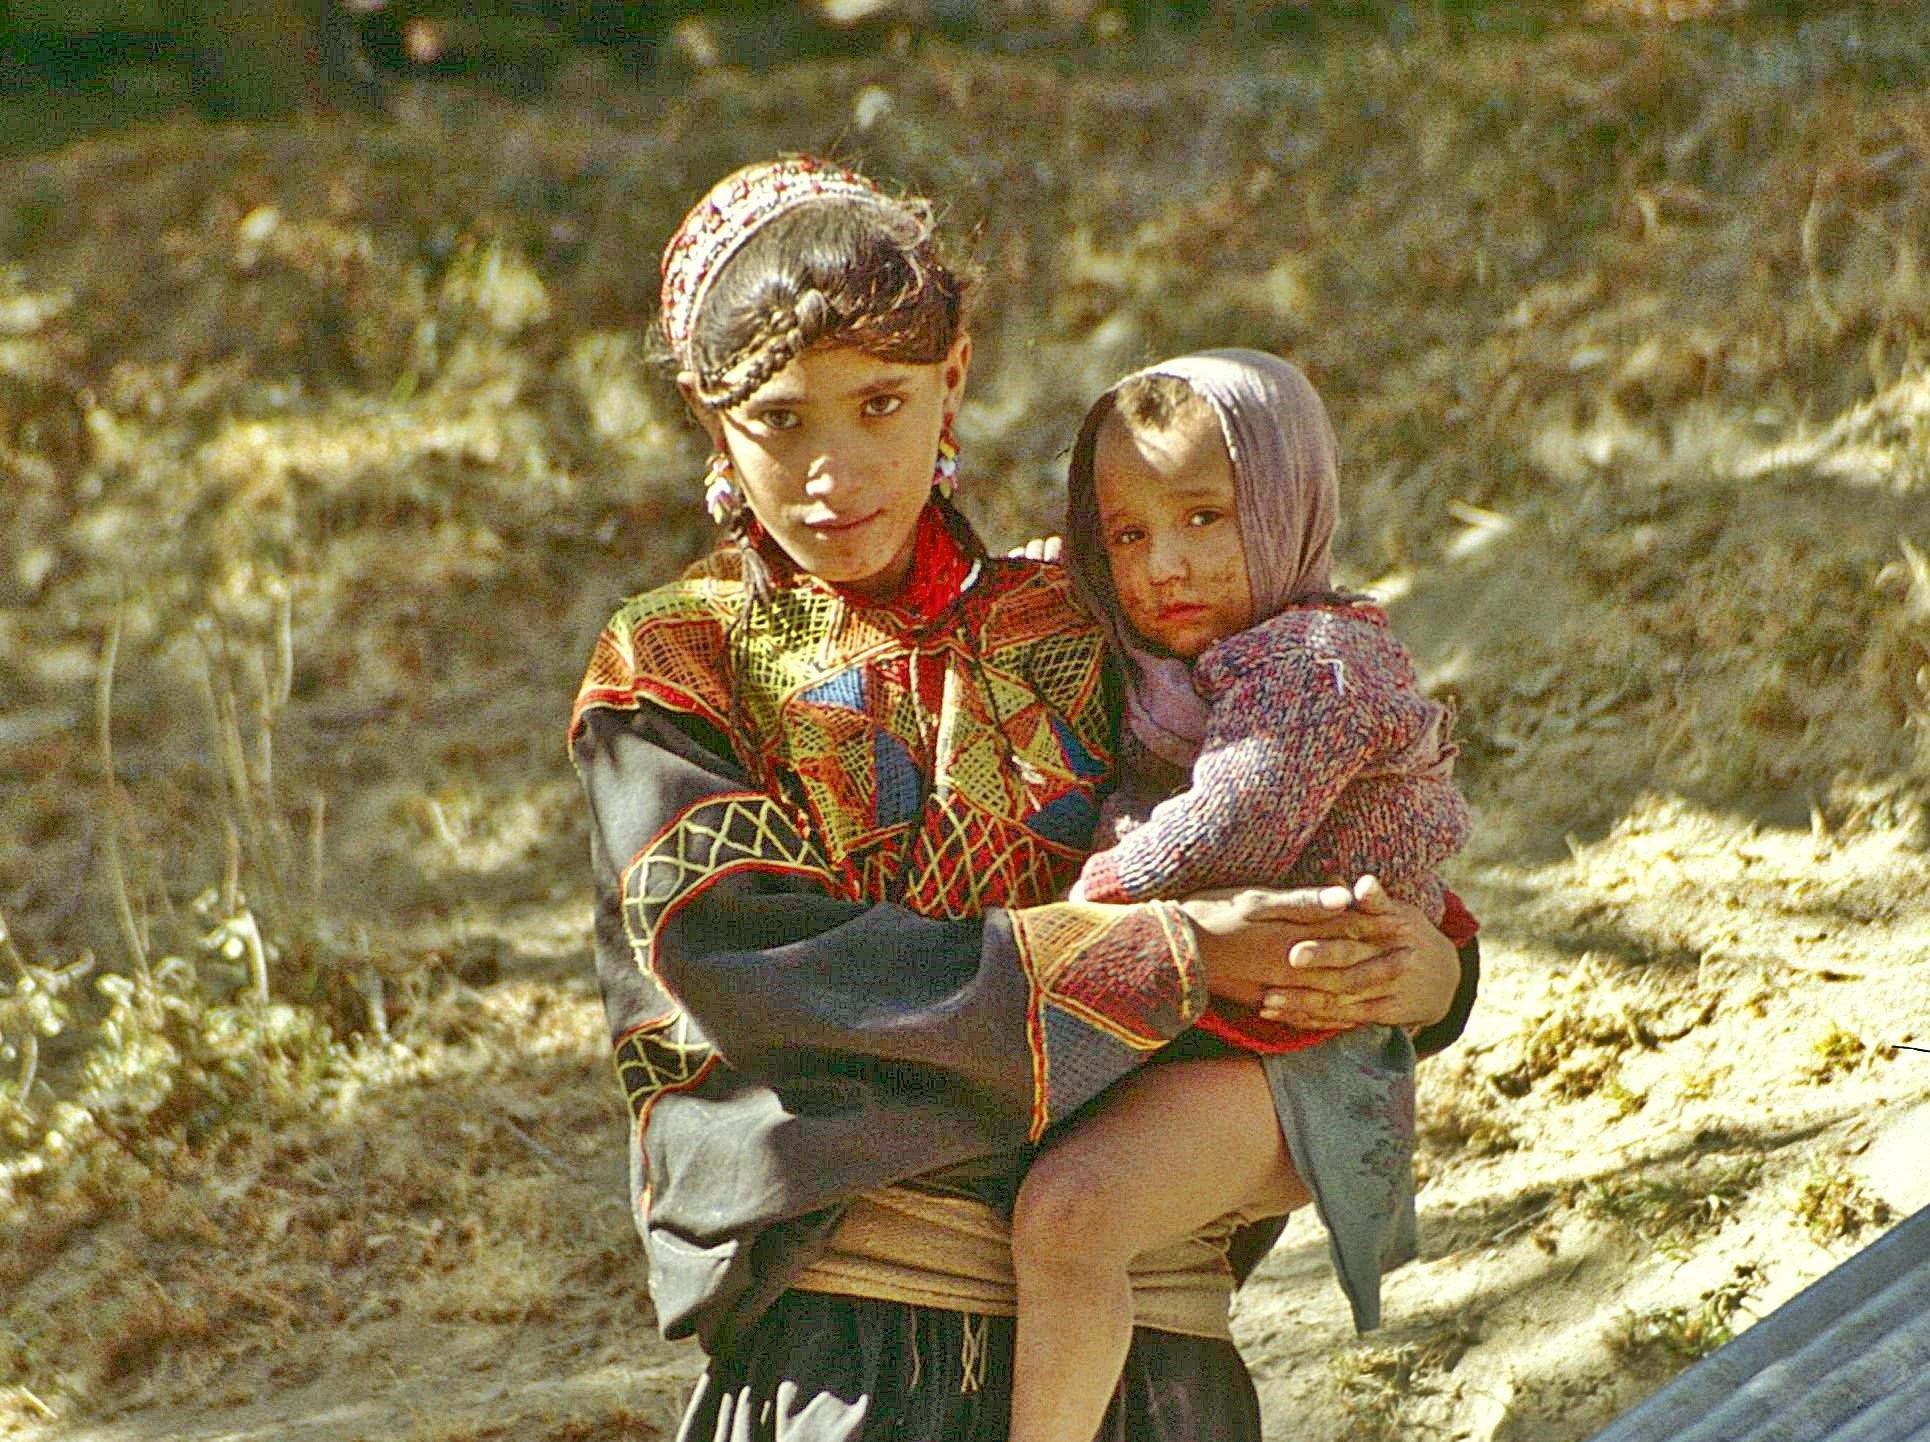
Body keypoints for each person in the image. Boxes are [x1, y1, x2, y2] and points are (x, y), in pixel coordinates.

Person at [569, 156, 1480, 1442]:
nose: (833, 471)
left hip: (1153, 1359)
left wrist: (1432, 976)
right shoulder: (675, 662)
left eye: (879, 401)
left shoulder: (1091, 618)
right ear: (708, 419)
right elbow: (756, 964)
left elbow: (1328, 826)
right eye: (779, 418)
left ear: (952, 381)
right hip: (853, 1358)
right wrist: (1165, 953)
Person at [1006, 352, 1472, 1442]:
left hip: (1310, 1047)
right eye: (1124, 534)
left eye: (1205, 516)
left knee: (1068, 1216)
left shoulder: (1314, 661)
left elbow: (1234, 823)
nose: (1163, 564)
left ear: (1284, 500)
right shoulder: (1171, 668)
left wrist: (1092, 897)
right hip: (1216, 1019)